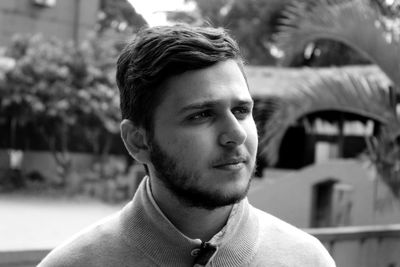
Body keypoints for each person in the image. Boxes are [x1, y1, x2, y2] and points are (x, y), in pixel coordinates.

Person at [38, 24, 336, 267]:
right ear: (138, 141)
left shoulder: (308, 259)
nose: (236, 134)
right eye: (202, 115)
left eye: (242, 111)